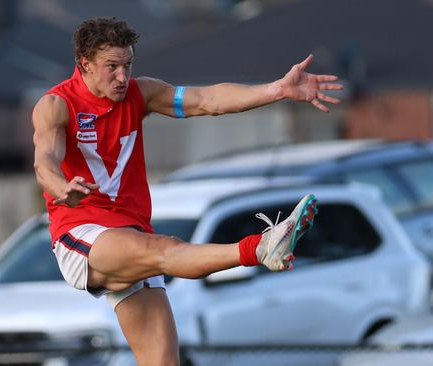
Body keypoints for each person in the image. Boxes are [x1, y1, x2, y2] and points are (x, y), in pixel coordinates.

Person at [31, 17, 341, 365]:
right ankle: (260, 248)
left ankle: (261, 249)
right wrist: (61, 187)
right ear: (84, 64)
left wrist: (277, 90)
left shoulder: (140, 93)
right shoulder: (57, 105)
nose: (122, 77)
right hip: (81, 234)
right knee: (166, 249)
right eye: (112, 67)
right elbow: (44, 160)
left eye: (128, 65)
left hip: (130, 233)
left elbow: (205, 99)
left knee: (163, 361)